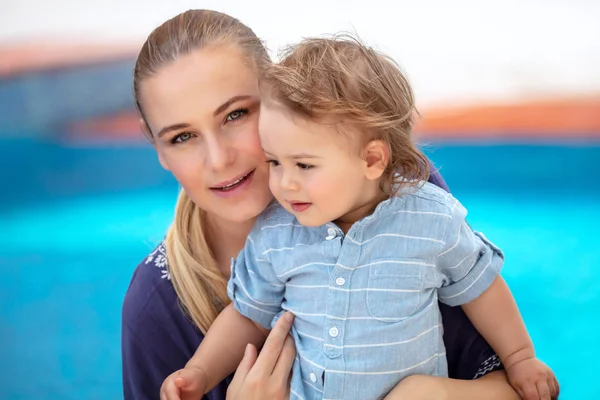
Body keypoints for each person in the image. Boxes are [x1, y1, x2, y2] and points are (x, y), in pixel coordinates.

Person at [122, 9, 558, 400]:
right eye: (182, 136)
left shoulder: (399, 193)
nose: (219, 160)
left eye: (236, 114)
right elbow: (243, 318)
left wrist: (434, 393)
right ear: (158, 149)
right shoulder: (156, 306)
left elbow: (511, 377)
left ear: (281, 93)